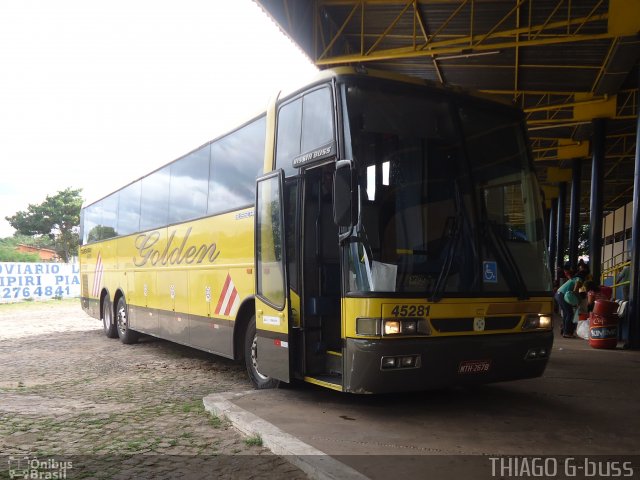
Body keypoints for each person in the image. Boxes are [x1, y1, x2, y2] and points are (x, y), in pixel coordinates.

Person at [554, 266, 584, 338]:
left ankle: (564, 331)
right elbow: (575, 291)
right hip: (562, 295)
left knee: (566, 313)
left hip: (558, 294)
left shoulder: (573, 279)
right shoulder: (579, 279)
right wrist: (579, 301)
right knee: (570, 313)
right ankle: (567, 332)